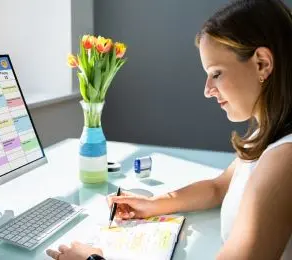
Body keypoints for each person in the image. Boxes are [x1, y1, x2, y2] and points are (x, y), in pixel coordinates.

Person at [46, 0, 292, 259]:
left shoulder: (283, 159)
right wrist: (154, 204)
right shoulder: (265, 135)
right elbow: (219, 187)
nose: (207, 90)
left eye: (216, 73)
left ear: (262, 63)